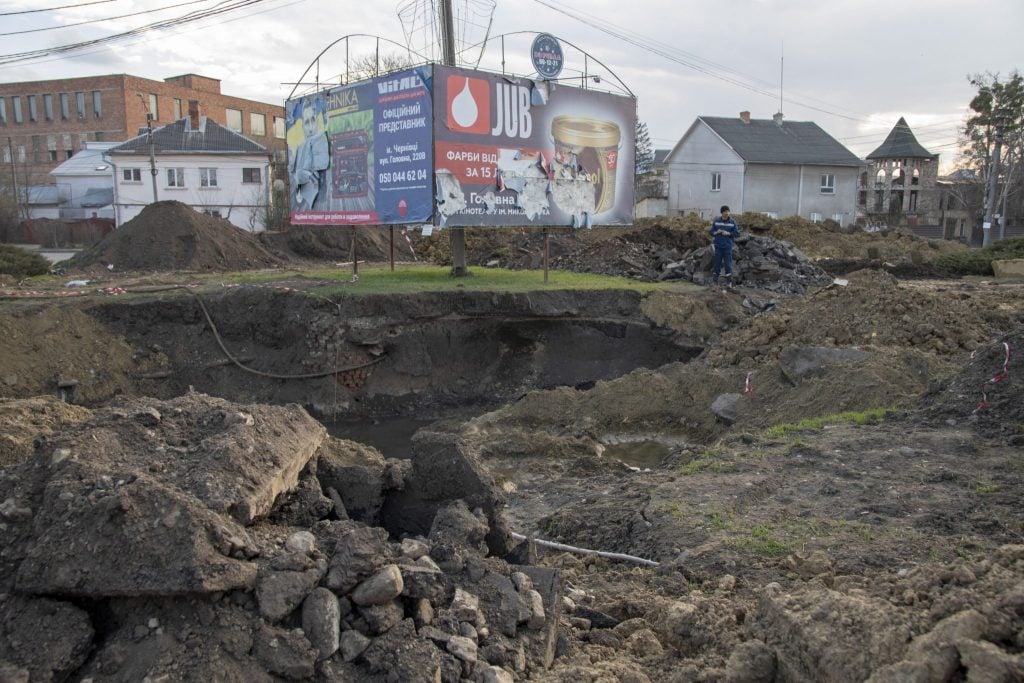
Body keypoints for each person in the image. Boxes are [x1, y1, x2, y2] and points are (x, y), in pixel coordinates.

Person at [288, 97, 331, 212]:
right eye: (307, 122)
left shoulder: (322, 143)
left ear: (317, 122)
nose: (311, 127)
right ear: (302, 126)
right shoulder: (299, 150)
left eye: (313, 120)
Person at [709, 205, 740, 286]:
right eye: (725, 211)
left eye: (728, 211)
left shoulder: (732, 222)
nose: (727, 213)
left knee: (728, 264)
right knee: (717, 263)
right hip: (718, 246)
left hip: (727, 246)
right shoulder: (716, 221)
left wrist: (728, 233)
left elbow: (737, 233)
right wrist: (717, 232)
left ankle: (729, 282)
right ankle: (715, 282)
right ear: (722, 212)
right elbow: (711, 232)